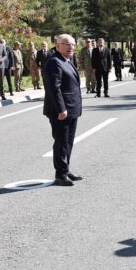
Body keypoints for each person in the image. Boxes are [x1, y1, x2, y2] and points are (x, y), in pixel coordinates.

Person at [43, 34, 83, 187]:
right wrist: (61, 109)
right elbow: (54, 88)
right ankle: (60, 174)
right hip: (61, 111)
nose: (71, 47)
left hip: (72, 109)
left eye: (73, 44)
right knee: (61, 142)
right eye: (66, 44)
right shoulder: (54, 62)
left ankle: (66, 169)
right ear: (57, 45)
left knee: (68, 142)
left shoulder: (66, 60)